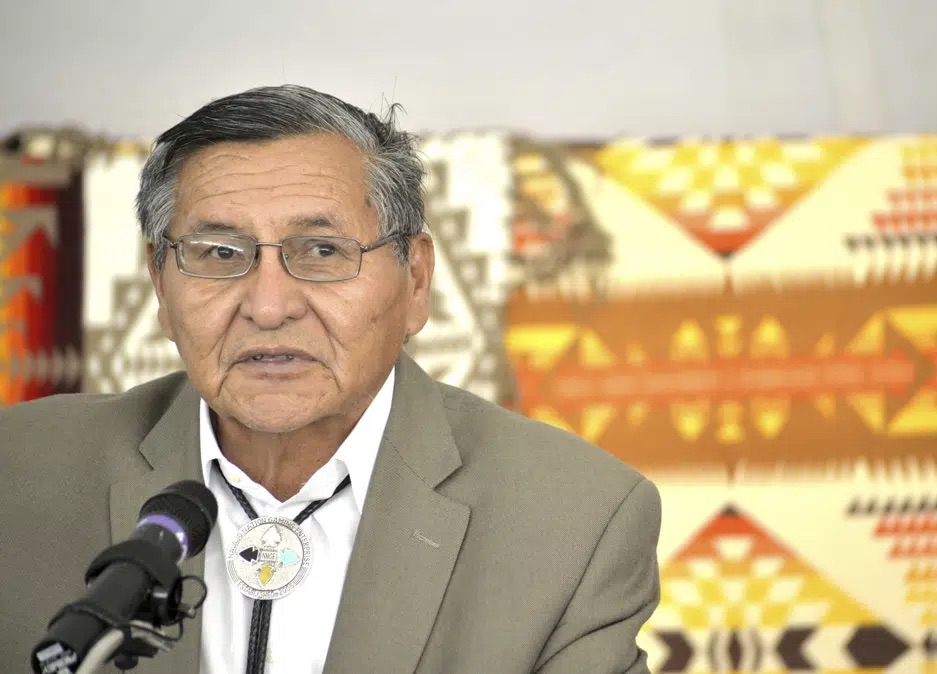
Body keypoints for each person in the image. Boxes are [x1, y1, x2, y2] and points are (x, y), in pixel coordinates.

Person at [0, 85, 662, 674]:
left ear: (416, 280)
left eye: (322, 251)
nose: (268, 306)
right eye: (220, 253)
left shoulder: (576, 521)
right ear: (160, 287)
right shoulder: (18, 473)